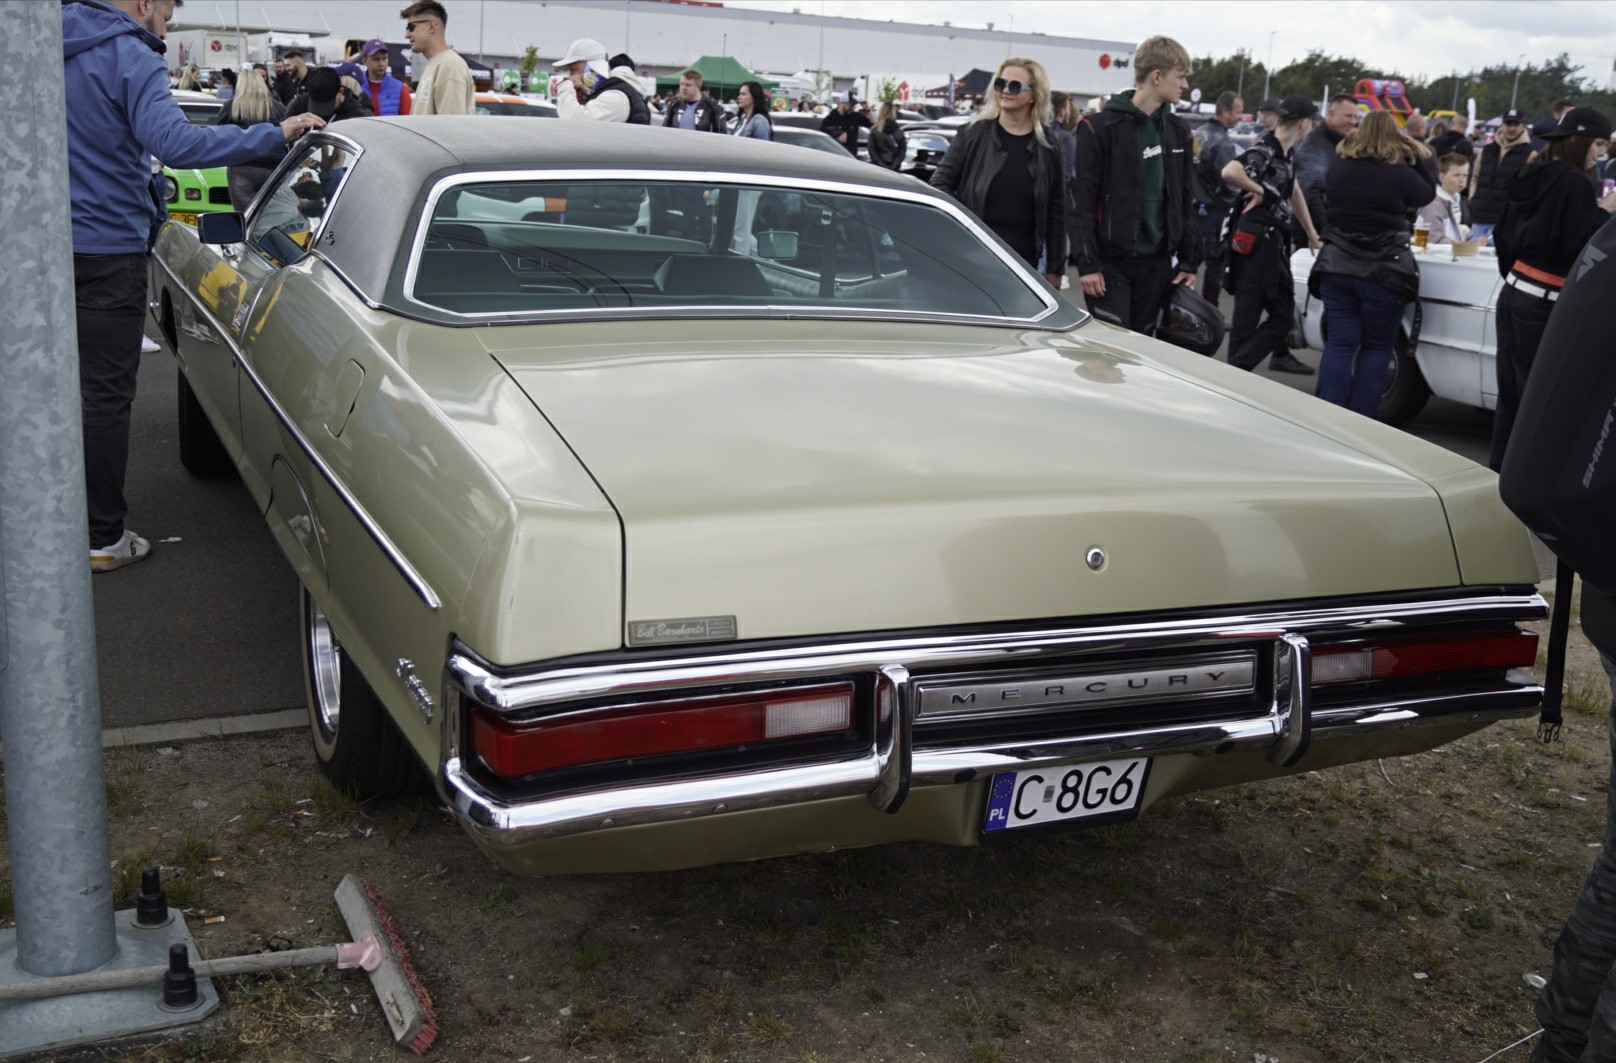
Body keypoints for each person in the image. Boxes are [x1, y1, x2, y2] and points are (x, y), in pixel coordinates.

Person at [62, 0, 323, 572]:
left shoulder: (35, 45)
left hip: (39, 249)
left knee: (41, 392)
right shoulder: (129, 54)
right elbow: (177, 145)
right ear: (146, 3)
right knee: (103, 398)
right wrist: (272, 132)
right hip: (108, 246)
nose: (169, 20)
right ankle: (100, 536)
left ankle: (42, 519)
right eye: (171, 7)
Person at [1489, 106, 1616, 470]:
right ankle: (1526, 482)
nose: (1600, 152)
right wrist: (1604, 212)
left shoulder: (1535, 171)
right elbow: (1578, 245)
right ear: (1580, 142)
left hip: (1515, 291)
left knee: (1511, 398)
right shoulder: (1573, 182)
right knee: (1539, 403)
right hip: (1541, 301)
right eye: (1597, 144)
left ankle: (1499, 475)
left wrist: (1517, 275)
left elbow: (1502, 234)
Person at [1070, 35, 1200, 335]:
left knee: (1144, 353)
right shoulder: (1098, 127)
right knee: (1110, 354)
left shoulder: (1179, 131)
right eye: (1180, 77)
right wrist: (1087, 264)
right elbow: (1081, 203)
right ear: (1157, 76)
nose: (1184, 85)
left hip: (1157, 266)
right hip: (1110, 265)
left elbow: (1184, 200)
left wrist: (1189, 262)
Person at [1308, 110, 1435, 416]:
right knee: (1377, 347)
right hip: (1384, 271)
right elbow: (1426, 193)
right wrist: (1415, 156)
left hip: (1337, 265)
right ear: (1395, 136)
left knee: (1340, 343)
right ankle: (1361, 418)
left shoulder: (1340, 166)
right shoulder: (1399, 172)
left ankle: (1329, 413)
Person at [930, 57, 1066, 288]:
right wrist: (964, 225)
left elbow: (1057, 208)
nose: (1005, 90)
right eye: (1000, 84)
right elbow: (940, 184)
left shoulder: (1049, 145)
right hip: (973, 252)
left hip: (1024, 258)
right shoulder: (972, 134)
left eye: (1014, 86)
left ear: (1034, 95)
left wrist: (1055, 268)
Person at [1220, 95, 1323, 374]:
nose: (1314, 126)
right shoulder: (1266, 149)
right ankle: (1235, 376)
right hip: (1255, 245)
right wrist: (1259, 189)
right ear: (1302, 123)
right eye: (1312, 121)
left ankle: (1237, 369)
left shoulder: (1285, 151)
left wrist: (1312, 232)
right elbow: (1230, 171)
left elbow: (1294, 189)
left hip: (1271, 243)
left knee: (1280, 316)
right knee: (1248, 317)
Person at [1191, 90, 1243, 305]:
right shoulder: (1221, 141)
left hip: (1193, 207)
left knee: (1188, 262)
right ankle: (1209, 309)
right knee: (1215, 263)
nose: (1240, 116)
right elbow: (1229, 181)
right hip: (1214, 210)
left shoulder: (1198, 133)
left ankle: (1175, 305)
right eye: (1238, 112)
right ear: (1225, 111)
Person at [217, 59, 288, 210]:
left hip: (241, 168)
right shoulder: (278, 107)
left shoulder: (231, 107)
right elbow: (288, 134)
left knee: (245, 220)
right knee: (272, 216)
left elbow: (220, 136)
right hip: (274, 168)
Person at [1292, 93, 1359, 238]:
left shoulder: (1338, 144)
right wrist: (1328, 232)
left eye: (1355, 117)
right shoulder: (1315, 145)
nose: (1353, 122)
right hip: (1311, 237)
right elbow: (1309, 194)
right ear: (1331, 114)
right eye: (1348, 116)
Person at [402, 1, 474, 116]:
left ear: (431, 26)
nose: (406, 34)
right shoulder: (436, 63)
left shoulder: (450, 65)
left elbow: (451, 128)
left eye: (411, 27)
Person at [1469, 109, 1530, 241]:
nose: (1512, 128)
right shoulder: (1487, 150)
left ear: (1522, 126)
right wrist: (1472, 198)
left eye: (1516, 124)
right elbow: (1475, 177)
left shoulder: (1530, 154)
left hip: (1505, 221)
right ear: (1502, 125)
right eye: (1509, 124)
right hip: (1479, 217)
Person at [553, 38, 648, 123]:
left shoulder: (616, 96)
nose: (572, 76)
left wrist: (566, 85)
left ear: (593, 66)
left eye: (574, 70)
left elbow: (574, 124)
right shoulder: (612, 91)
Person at [1416, 154, 1476, 245]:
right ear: (1442, 177)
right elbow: (1433, 239)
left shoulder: (1460, 200)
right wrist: (1463, 245)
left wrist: (1472, 238)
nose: (1462, 180)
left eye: (1465, 175)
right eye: (1456, 175)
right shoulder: (1432, 205)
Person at [359, 38, 412, 116]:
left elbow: (407, 122)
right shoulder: (356, 88)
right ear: (364, 60)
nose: (381, 63)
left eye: (384, 58)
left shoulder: (401, 89)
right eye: (376, 59)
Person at [820, 91, 870, 155]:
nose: (852, 108)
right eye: (850, 105)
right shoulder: (830, 119)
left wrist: (868, 109)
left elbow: (874, 124)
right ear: (842, 103)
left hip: (852, 156)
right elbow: (822, 140)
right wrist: (837, 137)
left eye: (853, 105)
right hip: (835, 156)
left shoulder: (855, 117)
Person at [867, 99, 906, 168]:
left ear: (881, 112)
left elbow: (871, 150)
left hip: (878, 167)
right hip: (894, 167)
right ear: (893, 113)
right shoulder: (899, 131)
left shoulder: (875, 130)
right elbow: (902, 152)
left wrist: (880, 164)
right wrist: (894, 166)